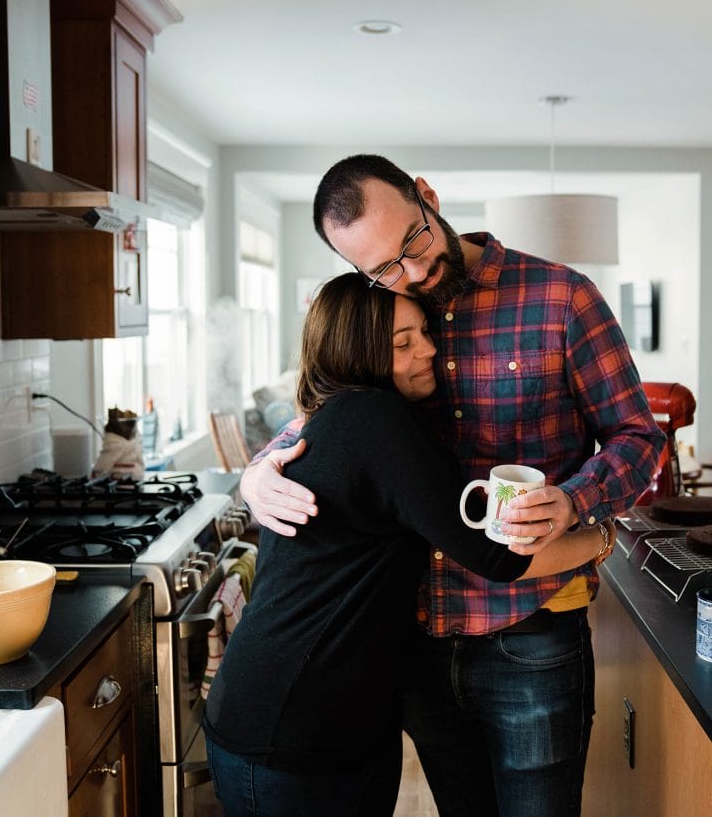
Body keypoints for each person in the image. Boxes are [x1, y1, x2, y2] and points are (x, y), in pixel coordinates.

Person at [242, 154, 663, 816]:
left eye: (412, 241)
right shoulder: (386, 311)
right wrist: (256, 471)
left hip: (530, 635)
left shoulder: (561, 297)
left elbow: (640, 439)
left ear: (428, 197)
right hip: (414, 644)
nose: (410, 273)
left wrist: (578, 500)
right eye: (381, 267)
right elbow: (333, 410)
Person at [204, 273, 612, 817]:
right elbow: (496, 556)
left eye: (423, 331)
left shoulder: (345, 417)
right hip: (291, 726)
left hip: (329, 720)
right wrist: (606, 536)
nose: (430, 351)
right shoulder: (373, 420)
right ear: (359, 353)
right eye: (402, 343)